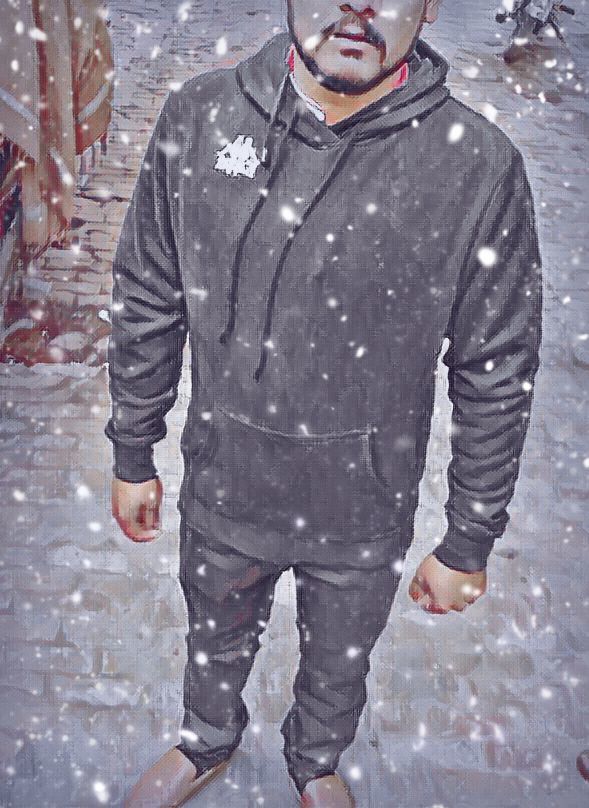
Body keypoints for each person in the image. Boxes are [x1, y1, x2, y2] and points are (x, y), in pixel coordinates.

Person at [105, 1, 543, 805]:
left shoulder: (476, 167)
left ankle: (314, 759)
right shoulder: (200, 118)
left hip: (363, 506)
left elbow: (496, 366)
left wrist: (468, 539)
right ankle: (205, 737)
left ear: (429, 8)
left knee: (341, 658)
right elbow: (147, 292)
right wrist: (133, 449)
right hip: (226, 479)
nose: (357, 5)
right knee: (212, 631)